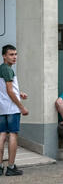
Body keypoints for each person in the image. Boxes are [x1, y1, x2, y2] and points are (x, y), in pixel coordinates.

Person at [0, 44, 28, 176]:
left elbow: (5, 89)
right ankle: (11, 167)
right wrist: (21, 107)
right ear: (4, 56)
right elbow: (9, 91)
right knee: (12, 135)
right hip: (11, 108)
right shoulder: (8, 70)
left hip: (2, 108)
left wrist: (19, 93)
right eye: (11, 54)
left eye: (16, 54)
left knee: (1, 135)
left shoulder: (2, 69)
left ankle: (0, 167)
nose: (14, 57)